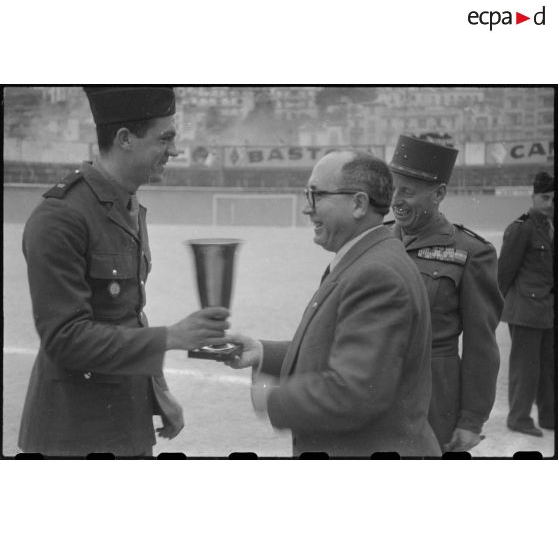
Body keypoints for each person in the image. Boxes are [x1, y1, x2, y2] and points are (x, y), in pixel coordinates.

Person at [18, 87, 230, 457]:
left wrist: (158, 393)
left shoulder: (127, 204)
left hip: (126, 423)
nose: (175, 151)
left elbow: (127, 316)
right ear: (125, 139)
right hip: (73, 435)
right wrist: (173, 337)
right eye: (164, 138)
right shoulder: (61, 217)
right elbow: (66, 339)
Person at [226, 150, 441, 457]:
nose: (307, 209)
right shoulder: (366, 258)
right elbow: (338, 348)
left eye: (317, 195)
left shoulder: (376, 273)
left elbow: (353, 393)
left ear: (358, 204)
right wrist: (264, 353)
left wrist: (269, 398)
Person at [388, 134, 504, 452]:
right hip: (375, 393)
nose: (396, 199)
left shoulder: (471, 252)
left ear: (438, 193)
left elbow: (482, 346)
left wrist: (471, 420)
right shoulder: (377, 240)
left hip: (434, 402)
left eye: (408, 192)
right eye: (393, 188)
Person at [498, 171, 554, 437]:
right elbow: (505, 270)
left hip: (547, 311)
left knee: (549, 367)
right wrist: (495, 307)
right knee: (526, 368)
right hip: (525, 310)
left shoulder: (550, 228)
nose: (551, 203)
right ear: (533, 197)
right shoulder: (521, 228)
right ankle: (518, 418)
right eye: (545, 197)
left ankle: (549, 416)